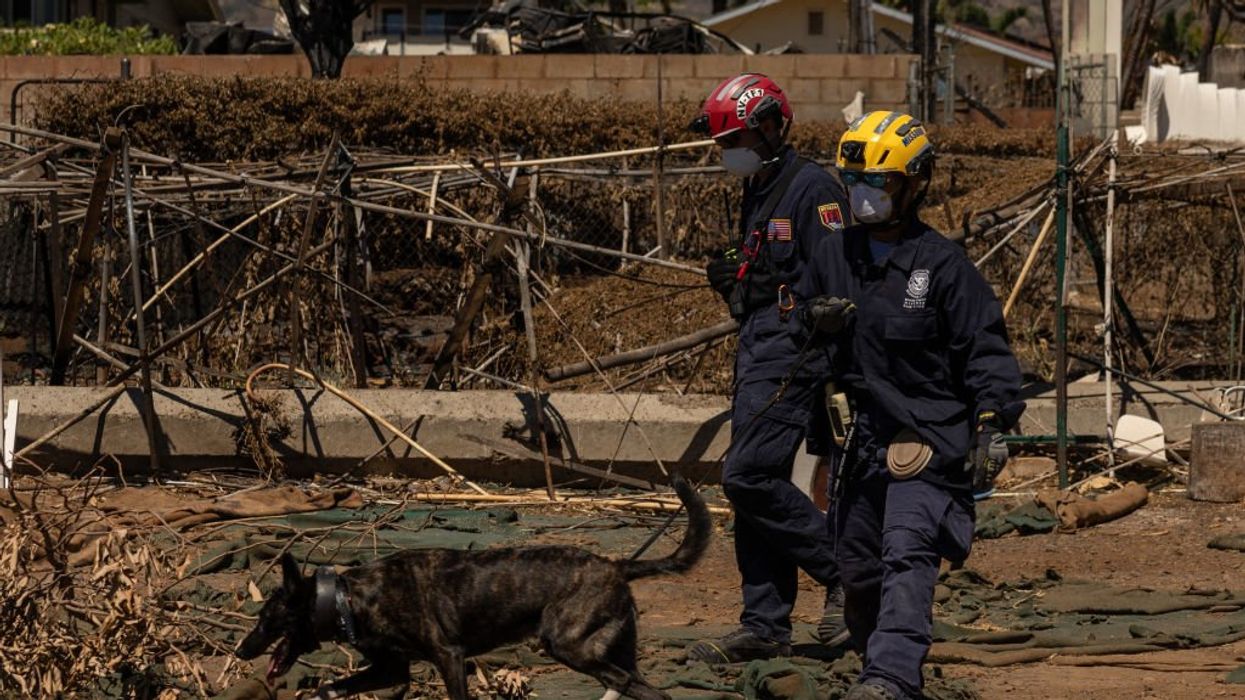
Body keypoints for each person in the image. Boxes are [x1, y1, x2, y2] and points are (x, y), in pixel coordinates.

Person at [795, 110, 1024, 699]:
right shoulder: (832, 256)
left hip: (926, 438)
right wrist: (809, 325)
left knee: (907, 550)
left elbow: (985, 350)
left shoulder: (943, 267)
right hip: (858, 444)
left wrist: (992, 422)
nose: (866, 195)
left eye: (882, 182)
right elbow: (798, 329)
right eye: (857, 183)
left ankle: (891, 679)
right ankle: (877, 657)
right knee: (858, 568)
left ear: (915, 182)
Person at [684, 73, 853, 664]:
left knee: (746, 476)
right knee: (758, 487)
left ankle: (847, 574)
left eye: (737, 140)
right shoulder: (758, 188)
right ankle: (765, 624)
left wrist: (803, 316)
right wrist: (739, 284)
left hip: (795, 356)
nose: (730, 153)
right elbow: (770, 275)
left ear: (773, 127)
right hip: (758, 352)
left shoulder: (815, 191)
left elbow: (836, 292)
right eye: (724, 144)